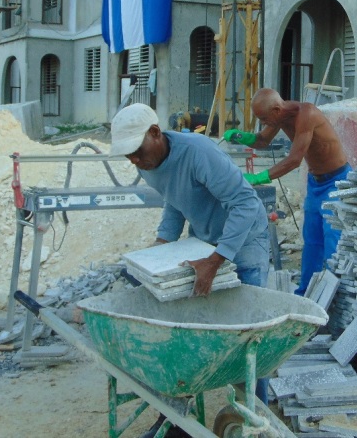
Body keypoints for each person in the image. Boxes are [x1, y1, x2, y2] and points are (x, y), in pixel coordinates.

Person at [110, 104, 272, 437]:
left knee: (251, 340)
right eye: (127, 156)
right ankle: (175, 418)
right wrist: (162, 245)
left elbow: (245, 203)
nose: (134, 161)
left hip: (244, 242)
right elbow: (174, 199)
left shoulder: (199, 153)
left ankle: (255, 419)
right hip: (202, 245)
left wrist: (217, 259)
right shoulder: (147, 162)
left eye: (136, 152)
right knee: (187, 337)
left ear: (156, 133)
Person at [223, 88, 351, 297]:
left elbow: (294, 160)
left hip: (337, 181)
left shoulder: (306, 114)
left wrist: (259, 177)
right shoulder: (279, 116)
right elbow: (263, 141)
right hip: (316, 182)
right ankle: (305, 293)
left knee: (332, 239)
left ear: (276, 109)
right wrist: (241, 137)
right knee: (311, 240)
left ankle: (335, 296)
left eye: (264, 118)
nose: (264, 123)